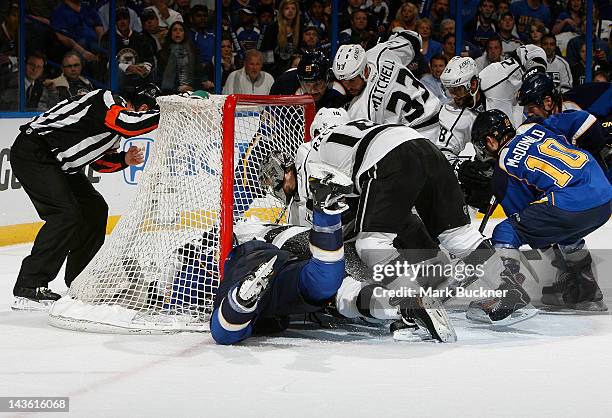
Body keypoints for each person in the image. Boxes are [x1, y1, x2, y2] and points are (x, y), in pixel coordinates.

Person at [285, 108, 537, 326]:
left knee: (371, 244)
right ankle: (509, 290)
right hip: (425, 148)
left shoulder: (308, 151)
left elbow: (320, 219)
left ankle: (416, 306)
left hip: (390, 159)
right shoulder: (354, 130)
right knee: (459, 235)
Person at [211, 160, 457, 345]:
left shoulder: (234, 239)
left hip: (276, 248)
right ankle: (405, 305)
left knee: (225, 330)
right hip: (318, 249)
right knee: (345, 291)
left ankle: (237, 305)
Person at [10, 85, 161, 311]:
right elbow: (129, 124)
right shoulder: (107, 99)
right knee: (65, 214)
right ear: (142, 107)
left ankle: (79, 279)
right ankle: (29, 287)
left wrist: (124, 160)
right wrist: (167, 113)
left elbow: (99, 162)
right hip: (34, 151)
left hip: (59, 164)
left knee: (95, 209)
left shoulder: (115, 129)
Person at [470, 109, 611, 313]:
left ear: (491, 140)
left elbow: (533, 227)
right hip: (604, 196)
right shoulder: (534, 126)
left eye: (483, 144)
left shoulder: (502, 170)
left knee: (506, 231)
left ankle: (506, 295)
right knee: (566, 232)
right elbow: (584, 119)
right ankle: (585, 293)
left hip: (569, 204)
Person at [332, 31, 441, 140]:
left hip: (419, 136)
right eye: (343, 81)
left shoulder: (360, 111)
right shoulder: (379, 53)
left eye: (351, 80)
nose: (347, 87)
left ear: (365, 71)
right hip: (440, 114)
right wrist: (391, 36)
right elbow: (414, 38)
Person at [101, 7, 155, 97]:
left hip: (138, 75)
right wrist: (127, 67)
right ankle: (117, 97)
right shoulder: (108, 38)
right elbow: (105, 62)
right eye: (119, 19)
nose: (122, 22)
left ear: (129, 20)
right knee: (115, 71)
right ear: (115, 22)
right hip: (119, 78)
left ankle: (149, 95)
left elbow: (149, 57)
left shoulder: (140, 37)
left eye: (125, 18)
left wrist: (145, 68)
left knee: (152, 67)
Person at [269, 50, 349, 110]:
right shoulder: (284, 82)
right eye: (307, 84)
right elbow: (269, 115)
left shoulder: (339, 91)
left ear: (327, 79)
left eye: (317, 84)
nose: (312, 91)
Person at [158, 21, 201, 93]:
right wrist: (177, 89)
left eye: (181, 30)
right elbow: (160, 78)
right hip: (169, 93)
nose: (178, 32)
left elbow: (198, 72)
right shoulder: (162, 53)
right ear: (170, 33)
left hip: (191, 91)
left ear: (184, 34)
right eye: (175, 30)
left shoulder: (193, 51)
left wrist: (192, 87)